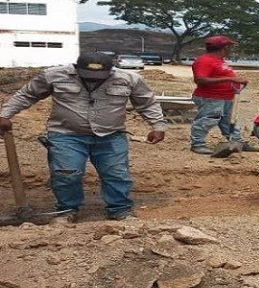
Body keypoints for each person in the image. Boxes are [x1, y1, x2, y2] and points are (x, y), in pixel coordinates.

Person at [0, 52, 166, 222]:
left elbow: (147, 102)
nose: (93, 80)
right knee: (66, 174)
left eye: (99, 77)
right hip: (66, 135)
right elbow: (27, 95)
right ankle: (66, 211)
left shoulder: (129, 78)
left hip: (110, 135)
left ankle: (120, 210)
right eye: (88, 76)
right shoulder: (54, 76)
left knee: (116, 174)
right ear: (77, 68)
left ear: (111, 70)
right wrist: (5, 114)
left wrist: (157, 126)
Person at [190, 34, 259, 154]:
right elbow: (200, 80)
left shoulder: (219, 60)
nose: (230, 50)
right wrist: (230, 80)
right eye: (229, 47)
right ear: (224, 48)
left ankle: (236, 142)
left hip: (225, 97)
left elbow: (221, 76)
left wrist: (236, 84)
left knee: (229, 121)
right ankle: (197, 144)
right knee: (207, 120)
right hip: (211, 97)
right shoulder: (204, 61)